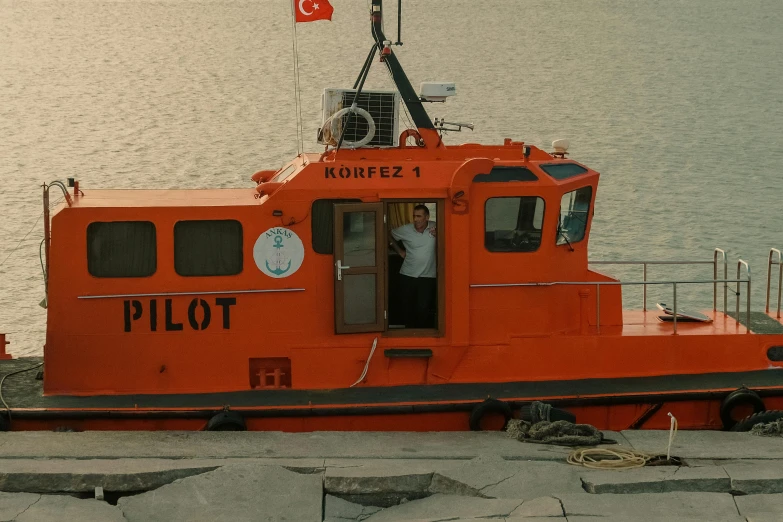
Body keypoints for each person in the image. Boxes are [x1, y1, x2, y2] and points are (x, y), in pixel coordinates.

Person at [389, 204, 437, 328]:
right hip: (407, 274)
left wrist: (440, 235)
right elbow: (387, 234)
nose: (415, 219)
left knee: (424, 307)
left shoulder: (436, 226)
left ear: (427, 217)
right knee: (407, 306)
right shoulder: (405, 229)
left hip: (428, 275)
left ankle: (421, 334)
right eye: (414, 216)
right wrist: (399, 251)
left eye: (419, 216)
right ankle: (409, 334)